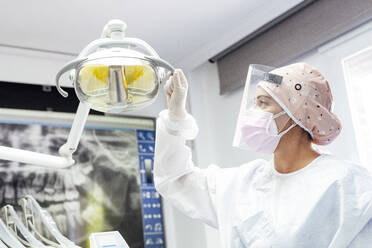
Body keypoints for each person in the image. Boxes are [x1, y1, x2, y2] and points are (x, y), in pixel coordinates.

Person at [153, 63, 372, 248]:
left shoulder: (347, 184)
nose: (252, 112)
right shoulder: (242, 183)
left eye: (263, 103)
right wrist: (175, 117)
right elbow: (175, 178)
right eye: (254, 102)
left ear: (298, 114)